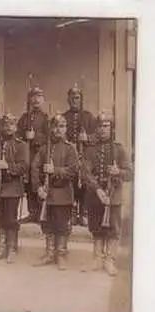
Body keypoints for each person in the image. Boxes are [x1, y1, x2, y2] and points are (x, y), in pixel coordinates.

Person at [81, 110, 132, 277]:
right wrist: (97, 189)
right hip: (95, 194)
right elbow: (85, 172)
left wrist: (118, 172)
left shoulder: (119, 148)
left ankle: (110, 259)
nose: (103, 129)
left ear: (112, 128)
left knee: (113, 228)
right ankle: (97, 258)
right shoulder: (90, 149)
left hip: (113, 195)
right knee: (95, 226)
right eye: (100, 126)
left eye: (106, 126)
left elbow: (131, 173)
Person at [31, 114, 79, 270]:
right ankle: (50, 253)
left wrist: (55, 170)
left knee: (62, 226)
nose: (58, 130)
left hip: (63, 193)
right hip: (47, 195)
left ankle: (61, 254)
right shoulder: (45, 148)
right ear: (51, 128)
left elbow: (73, 170)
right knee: (48, 225)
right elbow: (35, 168)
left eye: (62, 126)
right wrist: (38, 187)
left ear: (66, 129)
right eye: (56, 126)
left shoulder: (70, 148)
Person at [0, 114, 29, 263]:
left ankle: (12, 248)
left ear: (16, 127)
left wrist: (8, 167)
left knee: (11, 219)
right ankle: (1, 248)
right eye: (5, 124)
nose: (8, 127)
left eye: (11, 124)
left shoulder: (21, 145)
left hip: (12, 187)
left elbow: (24, 166)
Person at [62, 84, 97, 226]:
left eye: (77, 98)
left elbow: (97, 136)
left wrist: (87, 138)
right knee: (70, 184)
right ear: (68, 100)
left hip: (85, 157)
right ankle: (72, 213)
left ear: (81, 99)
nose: (74, 101)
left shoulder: (88, 117)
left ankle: (84, 213)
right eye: (72, 98)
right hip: (69, 157)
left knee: (84, 185)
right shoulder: (64, 117)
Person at [17, 86, 49, 223]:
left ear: (42, 100)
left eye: (39, 97)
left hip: (39, 154)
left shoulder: (46, 118)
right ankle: (31, 212)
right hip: (26, 153)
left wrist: (36, 137)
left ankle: (41, 212)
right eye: (33, 97)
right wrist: (25, 136)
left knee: (38, 180)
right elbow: (17, 135)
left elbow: (49, 137)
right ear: (30, 99)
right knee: (28, 181)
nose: (36, 100)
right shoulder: (24, 118)